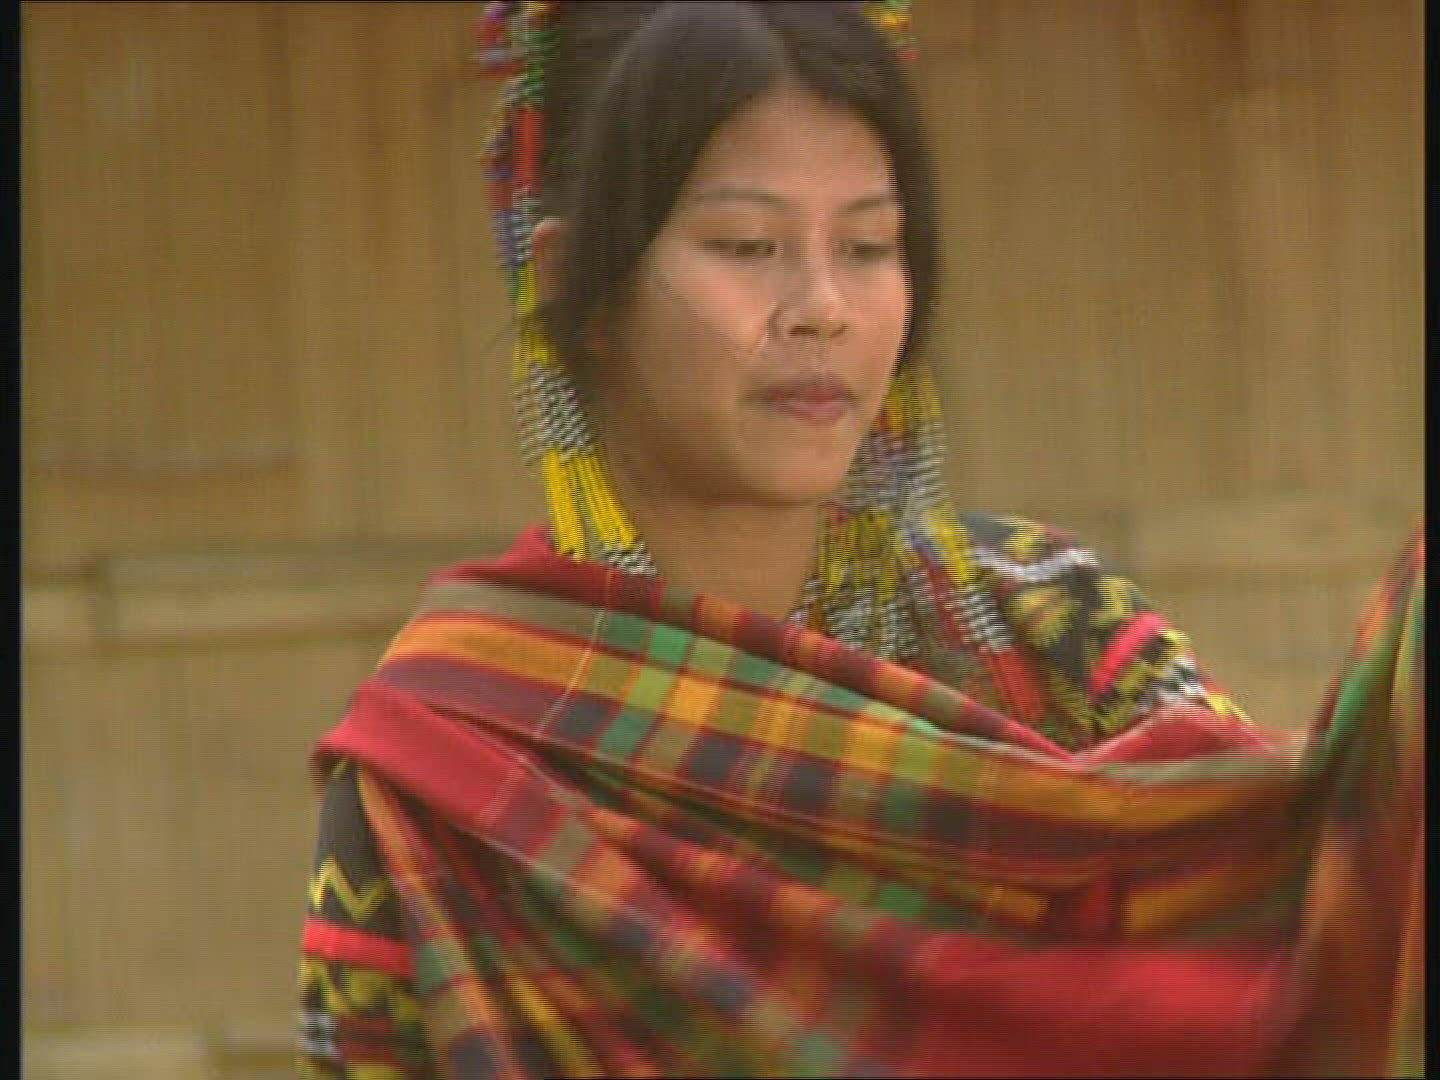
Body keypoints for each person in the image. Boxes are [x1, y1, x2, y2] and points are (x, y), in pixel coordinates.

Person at [296, 3, 1424, 1077]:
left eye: (871, 245)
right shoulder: (448, 774)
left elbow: (1304, 912)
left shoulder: (1054, 631)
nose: (823, 306)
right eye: (747, 245)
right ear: (573, 287)